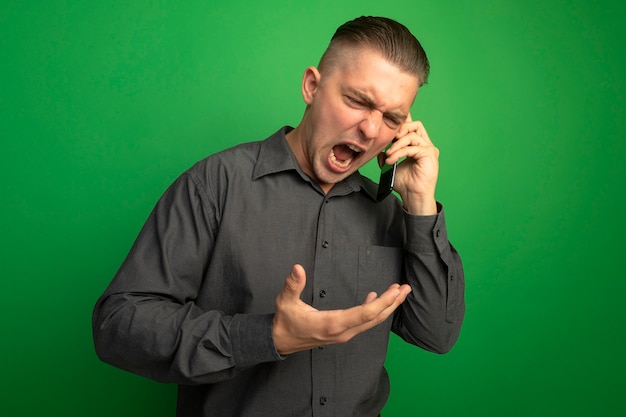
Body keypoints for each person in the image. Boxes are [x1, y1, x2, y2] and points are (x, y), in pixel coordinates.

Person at [93, 16, 465, 417]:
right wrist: (267, 336)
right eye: (357, 100)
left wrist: (421, 204)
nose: (370, 129)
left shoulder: (391, 212)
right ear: (312, 86)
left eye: (392, 118)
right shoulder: (216, 184)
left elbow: (435, 333)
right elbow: (118, 326)